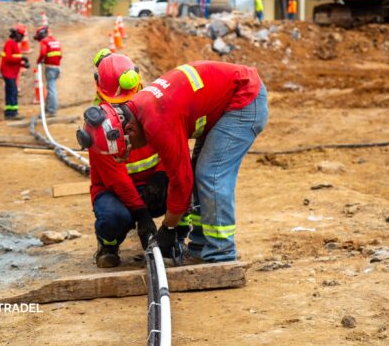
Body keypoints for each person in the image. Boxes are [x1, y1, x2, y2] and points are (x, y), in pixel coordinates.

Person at [78, 61, 268, 263]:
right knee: (197, 175)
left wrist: (168, 229)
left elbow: (181, 181)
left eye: (129, 146)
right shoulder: (140, 107)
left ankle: (221, 254)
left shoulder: (158, 122)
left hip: (243, 99)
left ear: (130, 129)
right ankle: (198, 247)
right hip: (222, 99)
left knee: (210, 175)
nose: (134, 150)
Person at [80, 49, 171, 268]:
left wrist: (161, 175)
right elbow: (117, 179)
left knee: (186, 186)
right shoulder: (98, 128)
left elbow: (172, 148)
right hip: (115, 194)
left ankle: (175, 238)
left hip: (152, 186)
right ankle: (108, 244)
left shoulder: (156, 107)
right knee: (114, 217)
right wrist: (141, 215)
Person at [0, 24, 29, 120]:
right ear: (17, 35)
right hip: (8, 72)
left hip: (11, 72)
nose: (22, 38)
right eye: (21, 35)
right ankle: (13, 113)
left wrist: (22, 64)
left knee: (10, 91)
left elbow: (14, 59)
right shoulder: (10, 43)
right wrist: (21, 58)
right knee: (13, 91)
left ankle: (9, 112)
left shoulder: (14, 44)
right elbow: (8, 58)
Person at [34, 26, 62, 117]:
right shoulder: (55, 40)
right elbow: (60, 54)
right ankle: (48, 108)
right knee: (52, 88)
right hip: (57, 67)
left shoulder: (44, 41)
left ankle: (51, 110)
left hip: (50, 68)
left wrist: (39, 61)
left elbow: (43, 53)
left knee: (51, 89)